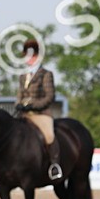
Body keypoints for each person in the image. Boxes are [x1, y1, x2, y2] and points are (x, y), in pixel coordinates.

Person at [16, 39, 62, 181]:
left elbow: (49, 97)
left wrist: (33, 105)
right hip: (24, 114)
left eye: (31, 56)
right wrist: (19, 104)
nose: (28, 59)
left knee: (49, 135)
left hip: (41, 114)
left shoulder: (46, 74)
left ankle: (54, 165)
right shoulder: (23, 76)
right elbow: (19, 94)